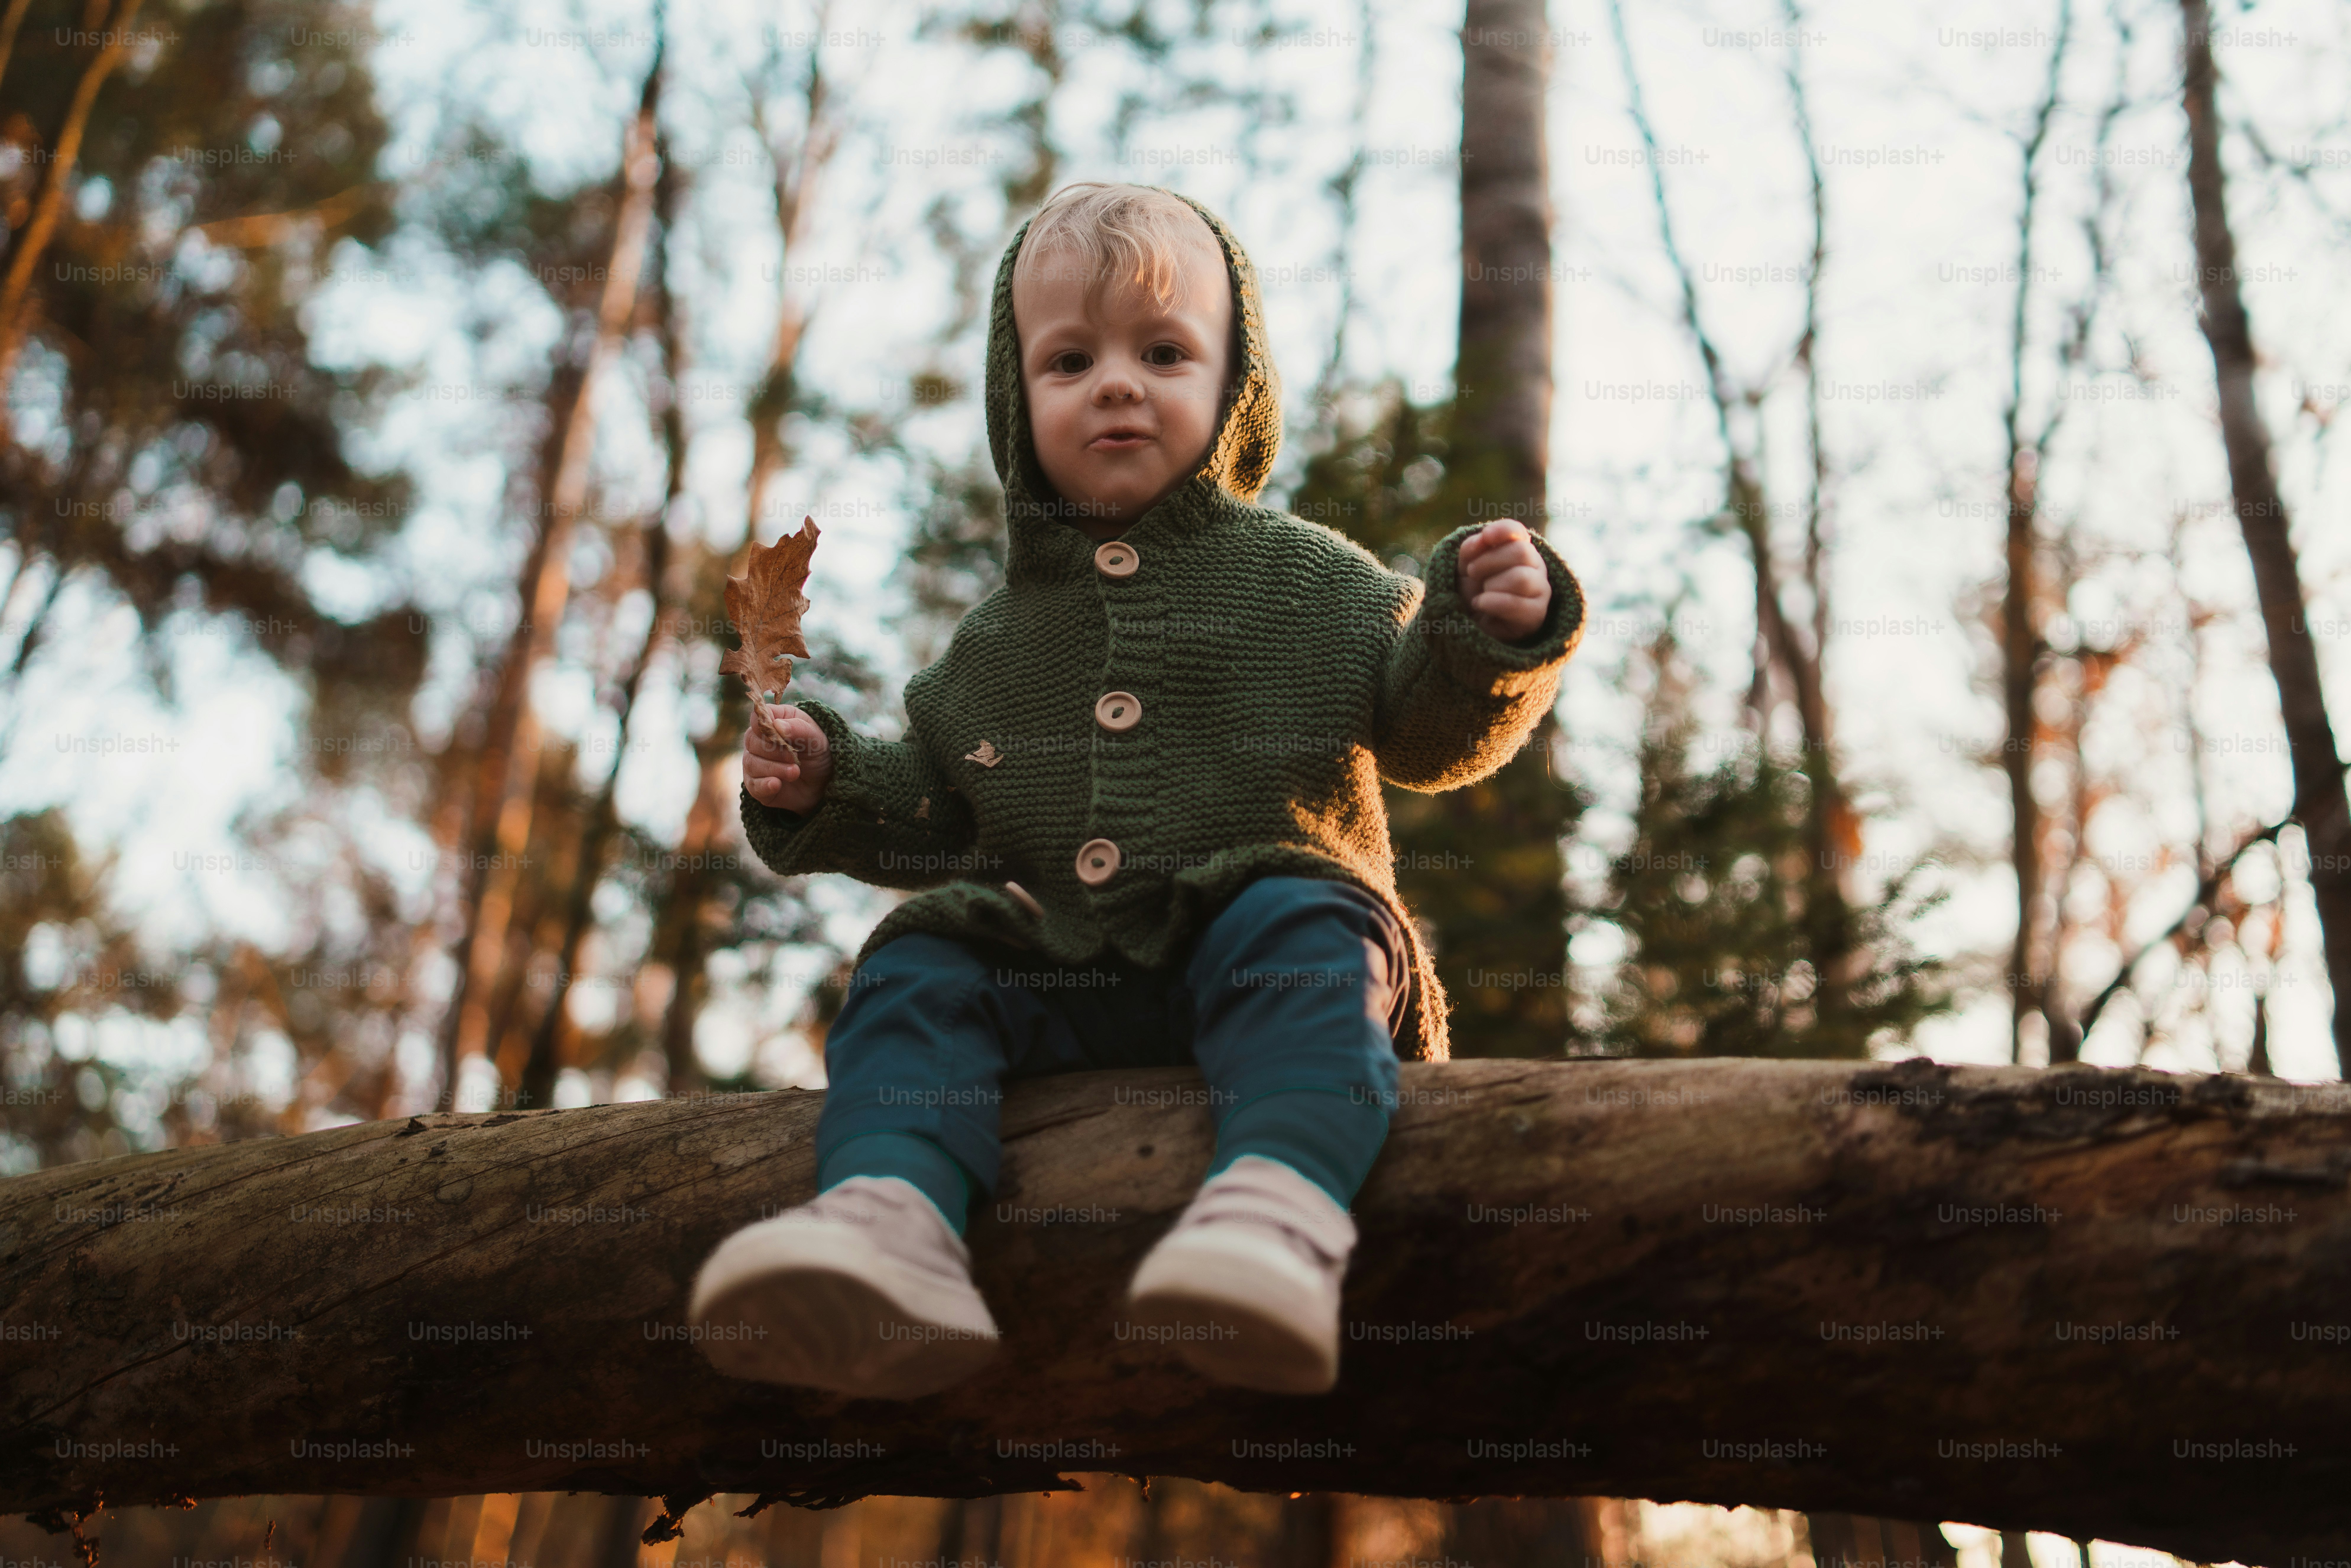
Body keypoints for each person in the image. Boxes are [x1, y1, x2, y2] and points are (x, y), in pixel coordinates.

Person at [685, 181, 1583, 1399]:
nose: (1116, 382)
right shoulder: (993, 648)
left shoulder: (1310, 582)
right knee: (920, 965)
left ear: (1232, 385)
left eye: (1162, 352)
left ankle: (1273, 1220)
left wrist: (1480, 641)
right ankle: (889, 1223)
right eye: (1069, 359)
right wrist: (827, 785)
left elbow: (1427, 735)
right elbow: (939, 811)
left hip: (1272, 951)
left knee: (1304, 927)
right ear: (1017, 402)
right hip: (1069, 981)